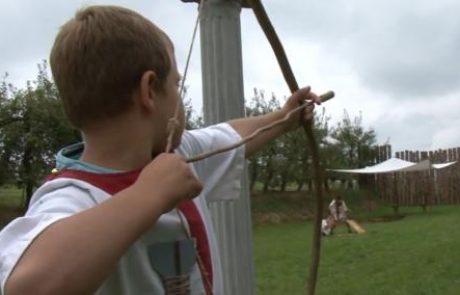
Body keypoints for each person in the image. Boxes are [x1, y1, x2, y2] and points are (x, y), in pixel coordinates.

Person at [0, 5, 321, 295]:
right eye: (176, 85)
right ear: (149, 90)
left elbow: (229, 136)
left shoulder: (177, 154)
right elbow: (29, 286)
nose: (179, 97)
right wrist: (148, 195)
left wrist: (284, 118)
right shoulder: (73, 198)